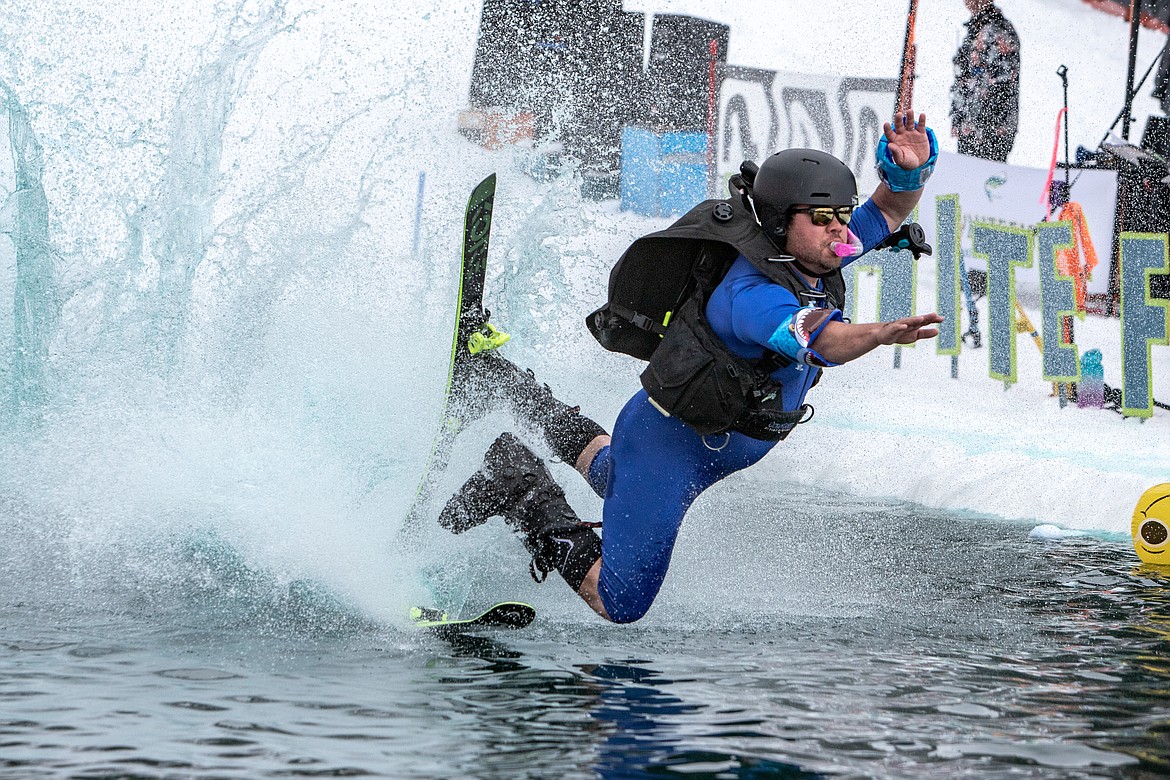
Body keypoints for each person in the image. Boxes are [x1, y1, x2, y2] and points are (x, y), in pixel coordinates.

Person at [439, 111, 944, 624]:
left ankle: (509, 389)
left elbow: (887, 211)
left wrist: (907, 175)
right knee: (620, 602)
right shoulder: (752, 297)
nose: (838, 229)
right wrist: (878, 333)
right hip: (670, 454)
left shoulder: (813, 255)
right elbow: (822, 341)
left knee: (615, 471)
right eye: (821, 218)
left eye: (842, 214)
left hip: (678, 442)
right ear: (777, 222)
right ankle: (522, 490)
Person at [949, 0, 1020, 163]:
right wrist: (959, 118)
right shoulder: (978, 28)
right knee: (968, 180)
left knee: (986, 181)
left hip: (990, 129)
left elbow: (1003, 84)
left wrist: (988, 125)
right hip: (971, 126)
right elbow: (966, 79)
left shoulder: (999, 30)